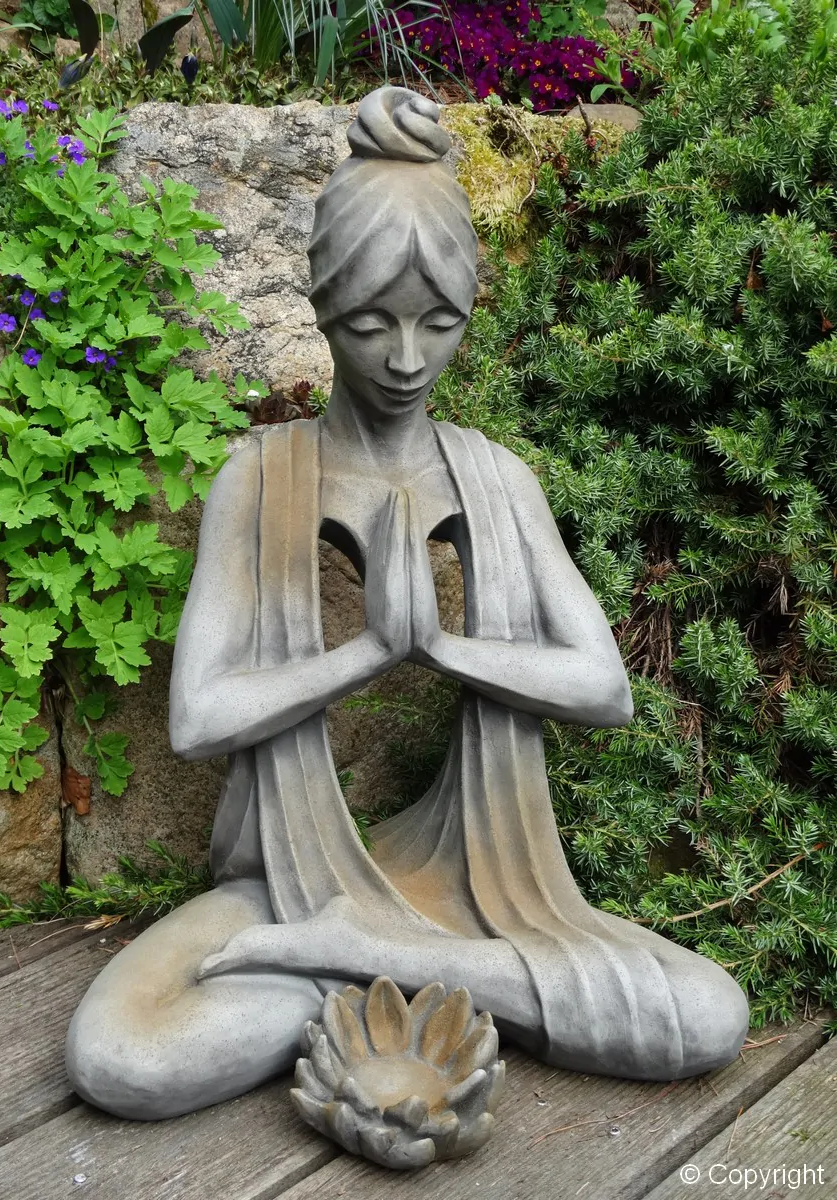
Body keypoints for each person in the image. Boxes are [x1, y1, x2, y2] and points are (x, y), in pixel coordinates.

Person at [66, 87, 748, 1121]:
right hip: (285, 877)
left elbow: (605, 690)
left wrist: (441, 648)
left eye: (439, 323)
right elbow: (197, 719)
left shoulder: (499, 479)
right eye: (371, 323)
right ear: (322, 306)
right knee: (126, 1058)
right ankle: (417, 976)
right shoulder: (259, 476)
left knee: (710, 1015)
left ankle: (368, 958)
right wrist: (370, 651)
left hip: (484, 885)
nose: (405, 359)